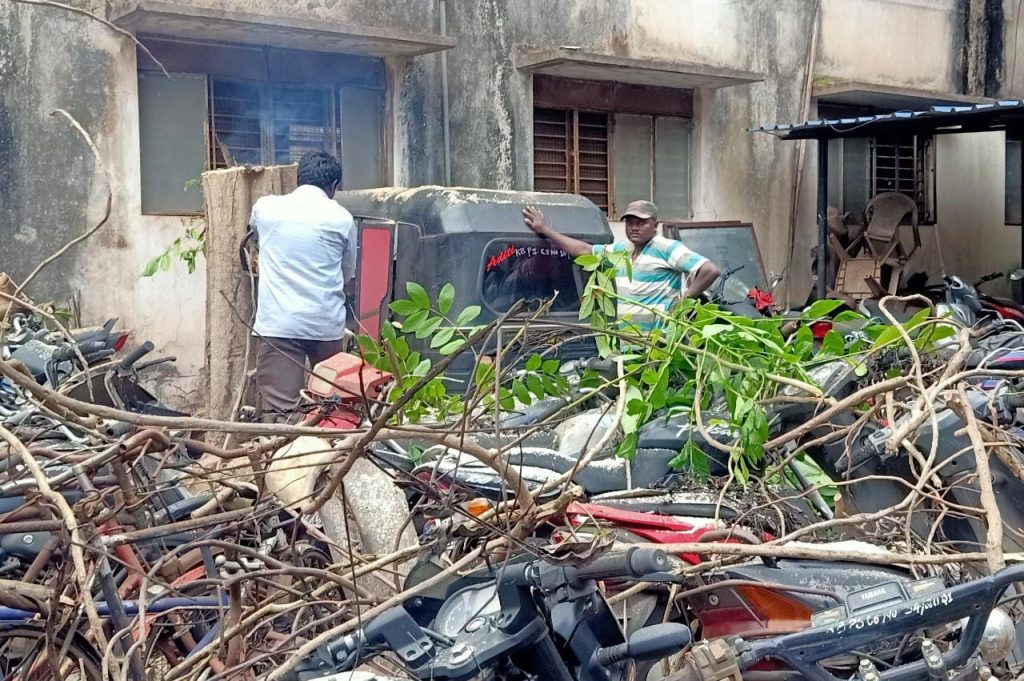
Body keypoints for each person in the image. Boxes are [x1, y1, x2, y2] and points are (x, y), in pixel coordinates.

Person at [250, 151, 356, 421]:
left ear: (298, 180)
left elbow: (255, 237)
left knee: (282, 410)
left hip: (279, 326)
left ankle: (284, 454)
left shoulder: (266, 208)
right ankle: (330, 456)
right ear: (334, 186)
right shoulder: (342, 218)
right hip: (325, 325)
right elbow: (347, 273)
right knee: (331, 405)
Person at [523, 200, 721, 332]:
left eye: (641, 223)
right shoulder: (622, 251)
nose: (634, 227)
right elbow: (584, 250)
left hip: (659, 343)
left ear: (655, 225)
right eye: (630, 222)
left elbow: (710, 270)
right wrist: (545, 230)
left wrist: (682, 303)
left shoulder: (665, 247)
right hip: (629, 341)